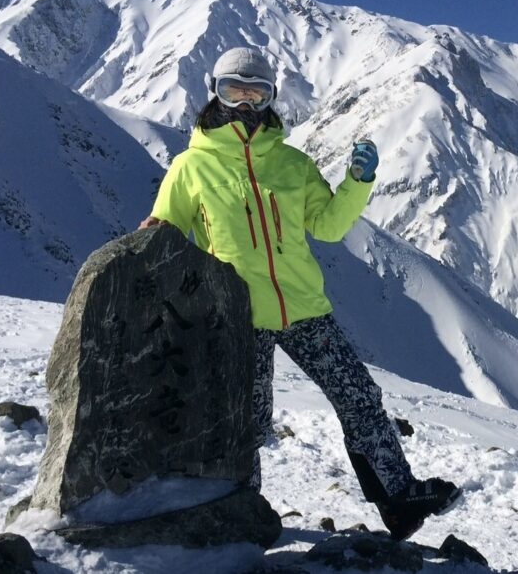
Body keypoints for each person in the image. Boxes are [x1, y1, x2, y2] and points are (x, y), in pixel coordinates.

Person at [139, 46, 460, 540]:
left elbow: (328, 226)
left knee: (359, 397)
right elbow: (166, 229)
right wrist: (147, 243)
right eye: (234, 92)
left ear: (270, 98)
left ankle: (398, 499)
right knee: (248, 419)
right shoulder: (190, 167)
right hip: (238, 316)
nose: (245, 105)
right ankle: (241, 514)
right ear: (215, 94)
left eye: (257, 93)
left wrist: (357, 181)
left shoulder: (292, 164)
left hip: (304, 306)